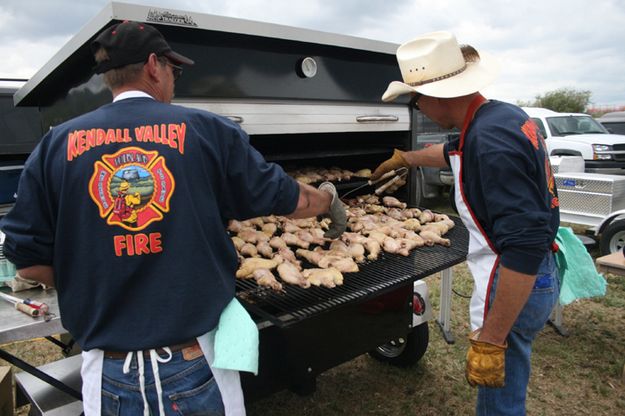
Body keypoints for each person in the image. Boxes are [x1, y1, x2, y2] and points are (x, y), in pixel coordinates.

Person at [0, 21, 346, 416]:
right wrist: (329, 200)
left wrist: (95, 276)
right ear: (152, 65)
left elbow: (26, 259)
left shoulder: (55, 146)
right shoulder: (207, 131)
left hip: (107, 372)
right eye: (173, 70)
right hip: (197, 362)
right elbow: (292, 200)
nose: (174, 81)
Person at [372, 31, 560, 415]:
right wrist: (406, 158)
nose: (418, 107)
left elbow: (523, 245)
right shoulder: (500, 116)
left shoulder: (490, 141)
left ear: (440, 95)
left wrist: (492, 336)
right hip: (536, 273)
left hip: (515, 277)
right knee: (509, 377)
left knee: (500, 390)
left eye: (417, 98)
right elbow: (453, 151)